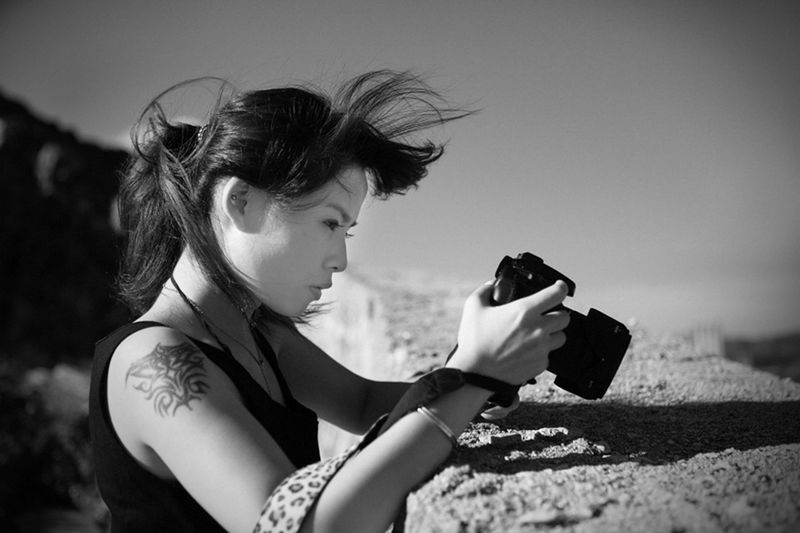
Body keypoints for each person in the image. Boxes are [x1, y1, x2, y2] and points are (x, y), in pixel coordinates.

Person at [89, 70, 570, 533]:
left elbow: (360, 403)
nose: (341, 260)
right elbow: (303, 525)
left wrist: (483, 382)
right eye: (329, 223)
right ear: (241, 201)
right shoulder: (152, 363)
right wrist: (472, 375)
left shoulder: (257, 332)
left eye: (348, 230)